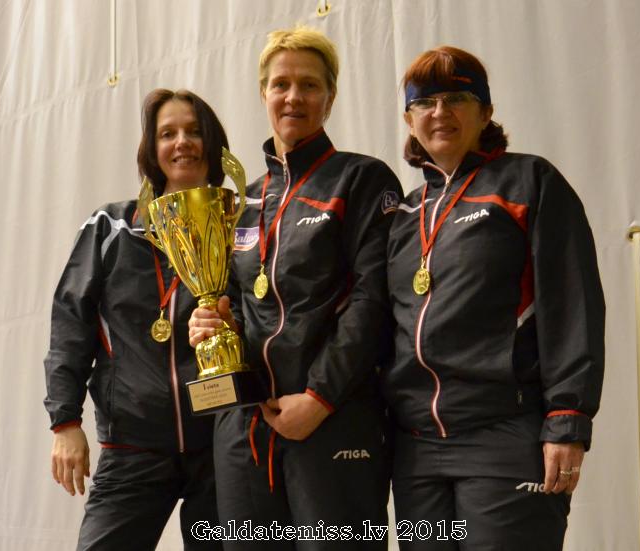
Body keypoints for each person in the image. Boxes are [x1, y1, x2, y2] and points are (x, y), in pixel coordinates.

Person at [382, 46, 605, 550]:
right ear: (409, 119)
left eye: (457, 98)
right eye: (425, 102)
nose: (440, 112)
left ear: (485, 112)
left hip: (504, 434)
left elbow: (573, 305)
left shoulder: (529, 182)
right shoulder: (404, 214)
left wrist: (568, 420)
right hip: (417, 451)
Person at [188, 26, 402, 550]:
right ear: (263, 93)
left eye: (309, 85)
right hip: (246, 426)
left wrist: (320, 397)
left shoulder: (362, 179)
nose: (293, 97)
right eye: (281, 84)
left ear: (330, 97)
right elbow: (238, 301)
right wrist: (212, 323)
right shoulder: (244, 202)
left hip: (332, 419)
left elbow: (372, 303)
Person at [44, 88, 227, 550]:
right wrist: (65, 422)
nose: (182, 142)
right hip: (133, 447)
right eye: (167, 133)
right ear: (151, 148)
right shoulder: (111, 227)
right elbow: (70, 325)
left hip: (222, 448)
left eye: (194, 131)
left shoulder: (238, 224)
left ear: (212, 141)